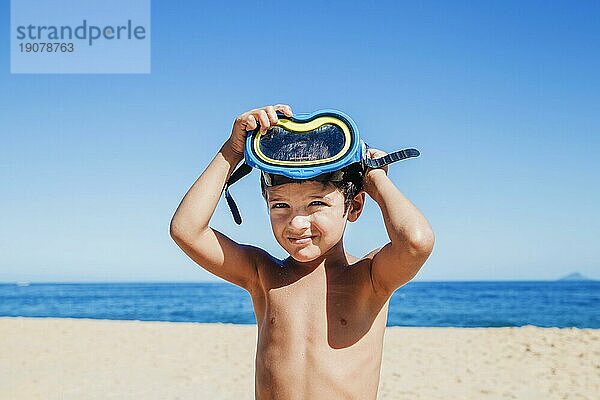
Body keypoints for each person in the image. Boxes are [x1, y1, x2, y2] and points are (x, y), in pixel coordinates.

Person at [170, 104, 435, 400]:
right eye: (280, 205)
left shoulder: (369, 279)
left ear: (355, 206)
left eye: (316, 204)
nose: (297, 223)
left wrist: (375, 178)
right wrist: (231, 151)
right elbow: (186, 229)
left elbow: (416, 242)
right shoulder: (262, 274)